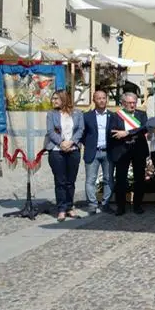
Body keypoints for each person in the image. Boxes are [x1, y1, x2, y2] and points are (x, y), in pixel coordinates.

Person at [45, 89, 85, 222]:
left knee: (70, 181)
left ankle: (69, 206)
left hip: (73, 149)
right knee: (60, 181)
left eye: (56, 98)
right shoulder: (51, 114)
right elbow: (50, 131)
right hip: (57, 151)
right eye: (53, 98)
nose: (53, 101)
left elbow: (81, 129)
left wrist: (71, 142)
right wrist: (62, 143)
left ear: (64, 99)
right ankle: (61, 209)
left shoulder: (77, 113)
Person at [109, 92, 149, 216]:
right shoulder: (116, 116)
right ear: (123, 103)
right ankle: (121, 206)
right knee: (121, 179)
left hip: (139, 150)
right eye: (129, 103)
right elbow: (113, 132)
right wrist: (131, 133)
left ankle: (137, 205)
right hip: (122, 150)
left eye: (134, 103)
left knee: (139, 179)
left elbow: (144, 128)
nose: (132, 105)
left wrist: (127, 133)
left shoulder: (142, 114)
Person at [82, 89, 114, 214]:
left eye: (103, 98)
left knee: (108, 178)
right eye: (98, 98)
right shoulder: (86, 116)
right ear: (94, 100)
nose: (101, 100)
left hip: (108, 152)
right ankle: (92, 204)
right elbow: (83, 134)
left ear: (106, 99)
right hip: (93, 152)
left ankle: (106, 204)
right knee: (90, 179)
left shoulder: (113, 116)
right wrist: (89, 145)